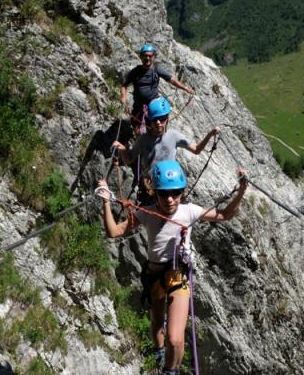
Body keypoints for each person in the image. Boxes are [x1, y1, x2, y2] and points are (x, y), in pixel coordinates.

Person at [97, 160, 248, 374]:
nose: (170, 199)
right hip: (154, 274)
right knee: (157, 323)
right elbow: (114, 231)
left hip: (177, 275)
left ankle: (169, 370)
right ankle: (159, 354)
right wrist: (105, 201)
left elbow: (224, 215)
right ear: (155, 192)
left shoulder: (190, 211)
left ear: (182, 192)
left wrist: (241, 191)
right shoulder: (146, 213)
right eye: (164, 193)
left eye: (176, 193)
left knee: (175, 339)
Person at [112, 97, 219, 203]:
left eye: (162, 118)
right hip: (152, 186)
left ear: (167, 118)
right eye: (154, 119)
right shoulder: (143, 140)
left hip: (170, 184)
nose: (158, 122)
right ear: (150, 121)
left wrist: (210, 135)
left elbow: (196, 149)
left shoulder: (174, 136)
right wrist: (123, 150)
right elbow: (129, 159)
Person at [122, 43, 194, 131]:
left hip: (154, 106)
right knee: (137, 128)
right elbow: (124, 86)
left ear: (154, 57)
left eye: (150, 56)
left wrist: (186, 88)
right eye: (145, 56)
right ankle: (140, 142)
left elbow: (172, 80)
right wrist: (123, 98)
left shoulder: (156, 70)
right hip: (139, 105)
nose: (147, 58)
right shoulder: (135, 71)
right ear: (141, 57)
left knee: (156, 128)